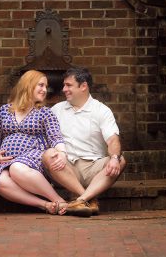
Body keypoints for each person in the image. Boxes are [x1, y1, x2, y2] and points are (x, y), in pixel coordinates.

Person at [41, 67, 126, 217]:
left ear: (83, 86)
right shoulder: (56, 110)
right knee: (48, 154)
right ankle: (88, 199)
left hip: (93, 168)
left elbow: (113, 139)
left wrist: (114, 158)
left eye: (68, 85)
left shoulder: (101, 110)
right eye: (64, 85)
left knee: (120, 160)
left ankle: (80, 200)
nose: (64, 89)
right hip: (66, 167)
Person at [0, 69, 70, 215]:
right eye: (41, 85)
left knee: (17, 168)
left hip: (33, 160)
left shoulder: (45, 113)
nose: (45, 90)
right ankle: (45, 204)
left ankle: (59, 200)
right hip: (7, 163)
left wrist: (62, 153)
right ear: (28, 85)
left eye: (46, 86)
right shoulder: (4, 111)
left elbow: (55, 137)